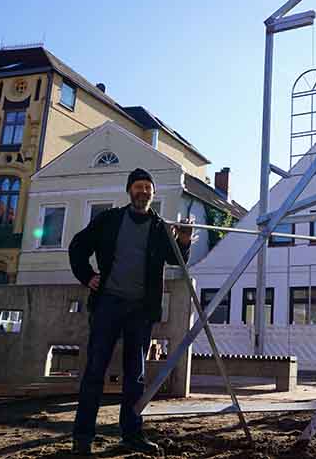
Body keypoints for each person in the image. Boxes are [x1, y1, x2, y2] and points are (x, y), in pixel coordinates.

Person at [68, 168, 196, 455]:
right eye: (138, 187)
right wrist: (88, 276)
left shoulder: (159, 227)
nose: (143, 192)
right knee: (94, 371)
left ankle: (132, 433)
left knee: (135, 374)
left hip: (140, 310)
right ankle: (83, 437)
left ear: (153, 193)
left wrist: (184, 240)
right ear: (130, 191)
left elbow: (177, 260)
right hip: (108, 305)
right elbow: (78, 246)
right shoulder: (110, 220)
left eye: (147, 187)